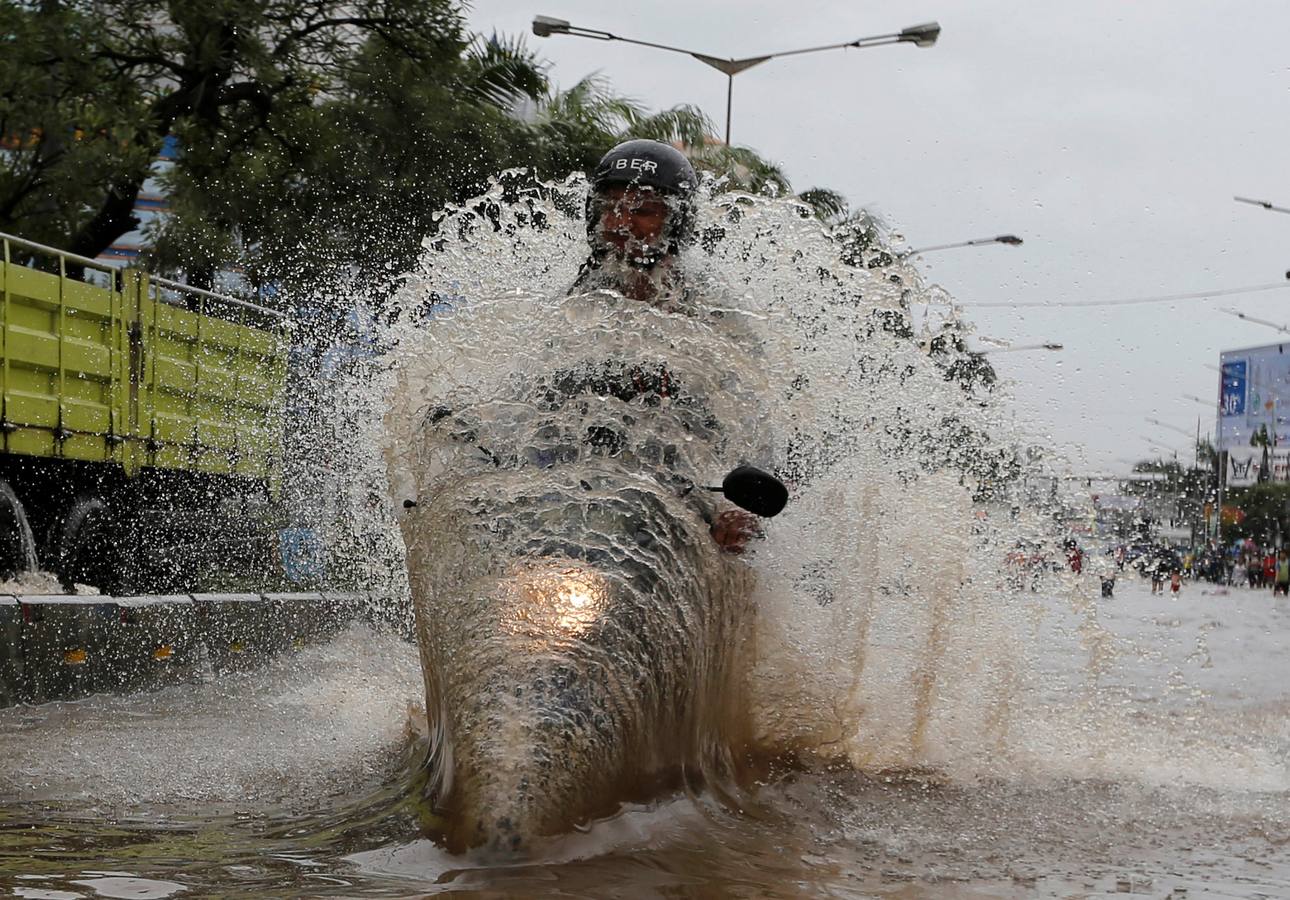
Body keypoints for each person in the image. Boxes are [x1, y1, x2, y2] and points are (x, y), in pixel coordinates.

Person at [572, 138, 761, 554]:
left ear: (675, 222)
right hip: (579, 496)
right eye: (611, 207)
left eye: (642, 211)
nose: (620, 222)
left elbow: (752, 417)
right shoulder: (575, 302)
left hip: (682, 498)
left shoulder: (714, 312)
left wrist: (733, 508)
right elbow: (529, 394)